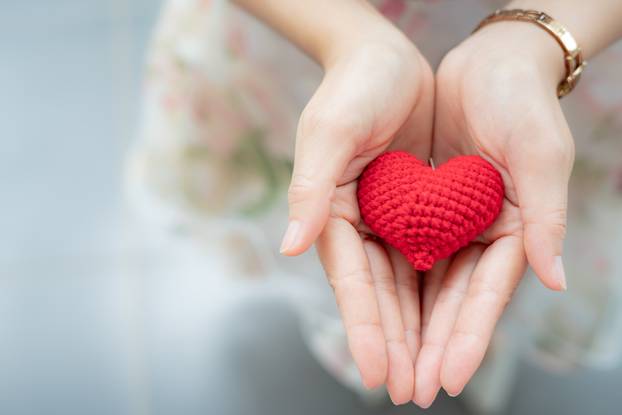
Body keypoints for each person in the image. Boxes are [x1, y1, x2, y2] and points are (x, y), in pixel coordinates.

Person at [132, 0, 622, 408]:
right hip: (304, 28)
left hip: (576, 36)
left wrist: (533, 49)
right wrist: (348, 39)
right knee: (327, 188)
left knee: (530, 205)